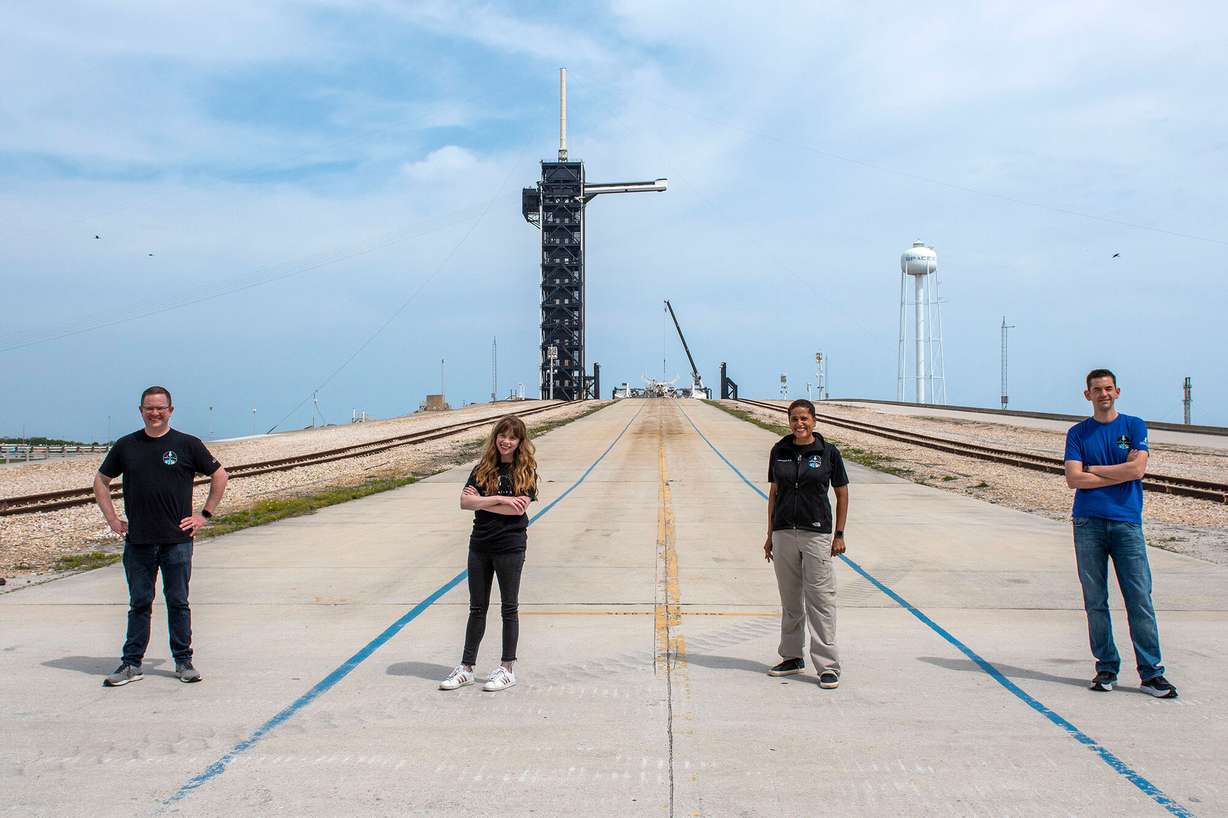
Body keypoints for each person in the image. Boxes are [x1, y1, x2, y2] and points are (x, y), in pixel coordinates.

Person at [93, 386, 228, 687]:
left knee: (178, 601)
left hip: (177, 541)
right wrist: (112, 518)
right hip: (139, 541)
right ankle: (131, 664)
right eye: (149, 408)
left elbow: (220, 475)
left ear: (171, 410)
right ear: (140, 410)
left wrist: (203, 515)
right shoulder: (127, 446)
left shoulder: (187, 444)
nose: (155, 413)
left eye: (160, 408)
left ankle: (184, 662)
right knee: (139, 603)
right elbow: (101, 481)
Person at [1064, 369, 1177, 698]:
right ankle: (1106, 668)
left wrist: (1094, 469)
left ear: (1118, 391)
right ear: (1087, 395)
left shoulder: (1133, 426)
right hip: (1088, 523)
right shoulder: (1078, 433)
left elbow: (1138, 469)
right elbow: (1073, 479)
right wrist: (1121, 473)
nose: (1104, 394)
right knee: (1096, 601)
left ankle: (1152, 673)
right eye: (1097, 389)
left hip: (1126, 523)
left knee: (1139, 599)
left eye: (1108, 388)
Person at [439, 415, 538, 693]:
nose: (506, 441)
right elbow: (464, 502)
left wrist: (484, 502)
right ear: (496, 438)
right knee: (477, 608)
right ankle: (466, 668)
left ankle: (507, 669)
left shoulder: (526, 470)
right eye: (502, 435)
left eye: (513, 437)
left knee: (509, 608)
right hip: (480, 545)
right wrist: (501, 499)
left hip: (510, 545)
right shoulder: (482, 468)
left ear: (520, 442)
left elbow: (518, 510)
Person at [763, 399, 849, 689]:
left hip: (817, 535)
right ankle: (791, 657)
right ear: (789, 422)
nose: (799, 424)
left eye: (804, 419)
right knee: (790, 601)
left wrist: (839, 533)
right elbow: (774, 493)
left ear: (814, 420)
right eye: (794, 419)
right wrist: (769, 534)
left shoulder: (827, 453)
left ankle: (827, 666)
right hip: (784, 533)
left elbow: (841, 493)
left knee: (821, 601)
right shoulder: (780, 450)